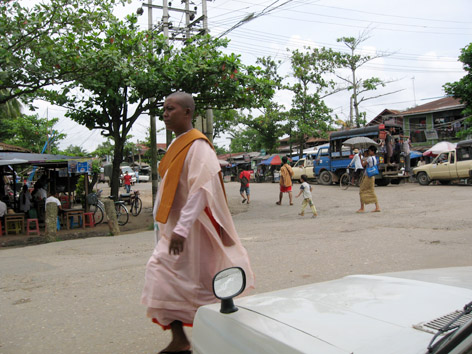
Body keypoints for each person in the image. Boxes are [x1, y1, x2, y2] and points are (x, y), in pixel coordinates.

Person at [141, 91, 254, 354]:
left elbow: (201, 191)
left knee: (198, 281)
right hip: (173, 230)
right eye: (164, 109)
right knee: (172, 280)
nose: (165, 114)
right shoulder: (175, 144)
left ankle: (221, 333)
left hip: (192, 231)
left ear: (188, 112)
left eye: (171, 109)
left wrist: (181, 229)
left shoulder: (199, 146)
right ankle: (181, 339)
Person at [357, 145, 381, 213]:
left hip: (368, 176)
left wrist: (360, 158)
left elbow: (363, 165)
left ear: (372, 151)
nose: (369, 152)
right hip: (372, 176)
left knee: (362, 190)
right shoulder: (374, 158)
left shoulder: (369, 158)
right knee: (371, 191)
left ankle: (362, 207)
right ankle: (377, 207)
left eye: (370, 151)